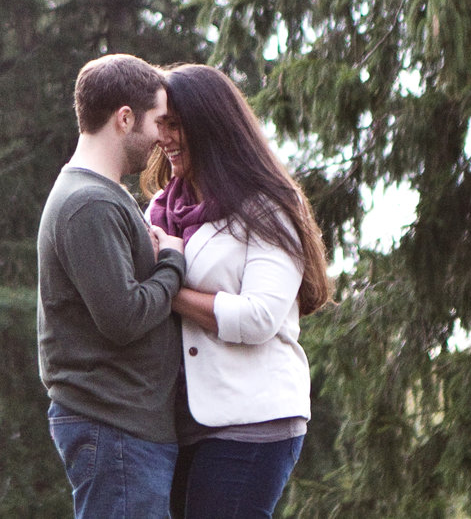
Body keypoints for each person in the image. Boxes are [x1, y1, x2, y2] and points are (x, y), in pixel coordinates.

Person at [142, 64, 333, 519]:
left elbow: (259, 317)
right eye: (160, 124)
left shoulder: (268, 206)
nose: (162, 137)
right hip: (182, 420)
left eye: (175, 124)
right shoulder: (160, 210)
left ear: (209, 124)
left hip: (254, 419)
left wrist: (168, 287)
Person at [37, 53, 191, 519]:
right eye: (158, 123)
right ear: (124, 119)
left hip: (125, 432)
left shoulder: (101, 196)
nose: (163, 138)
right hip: (114, 430)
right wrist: (171, 263)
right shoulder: (89, 204)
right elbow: (123, 317)